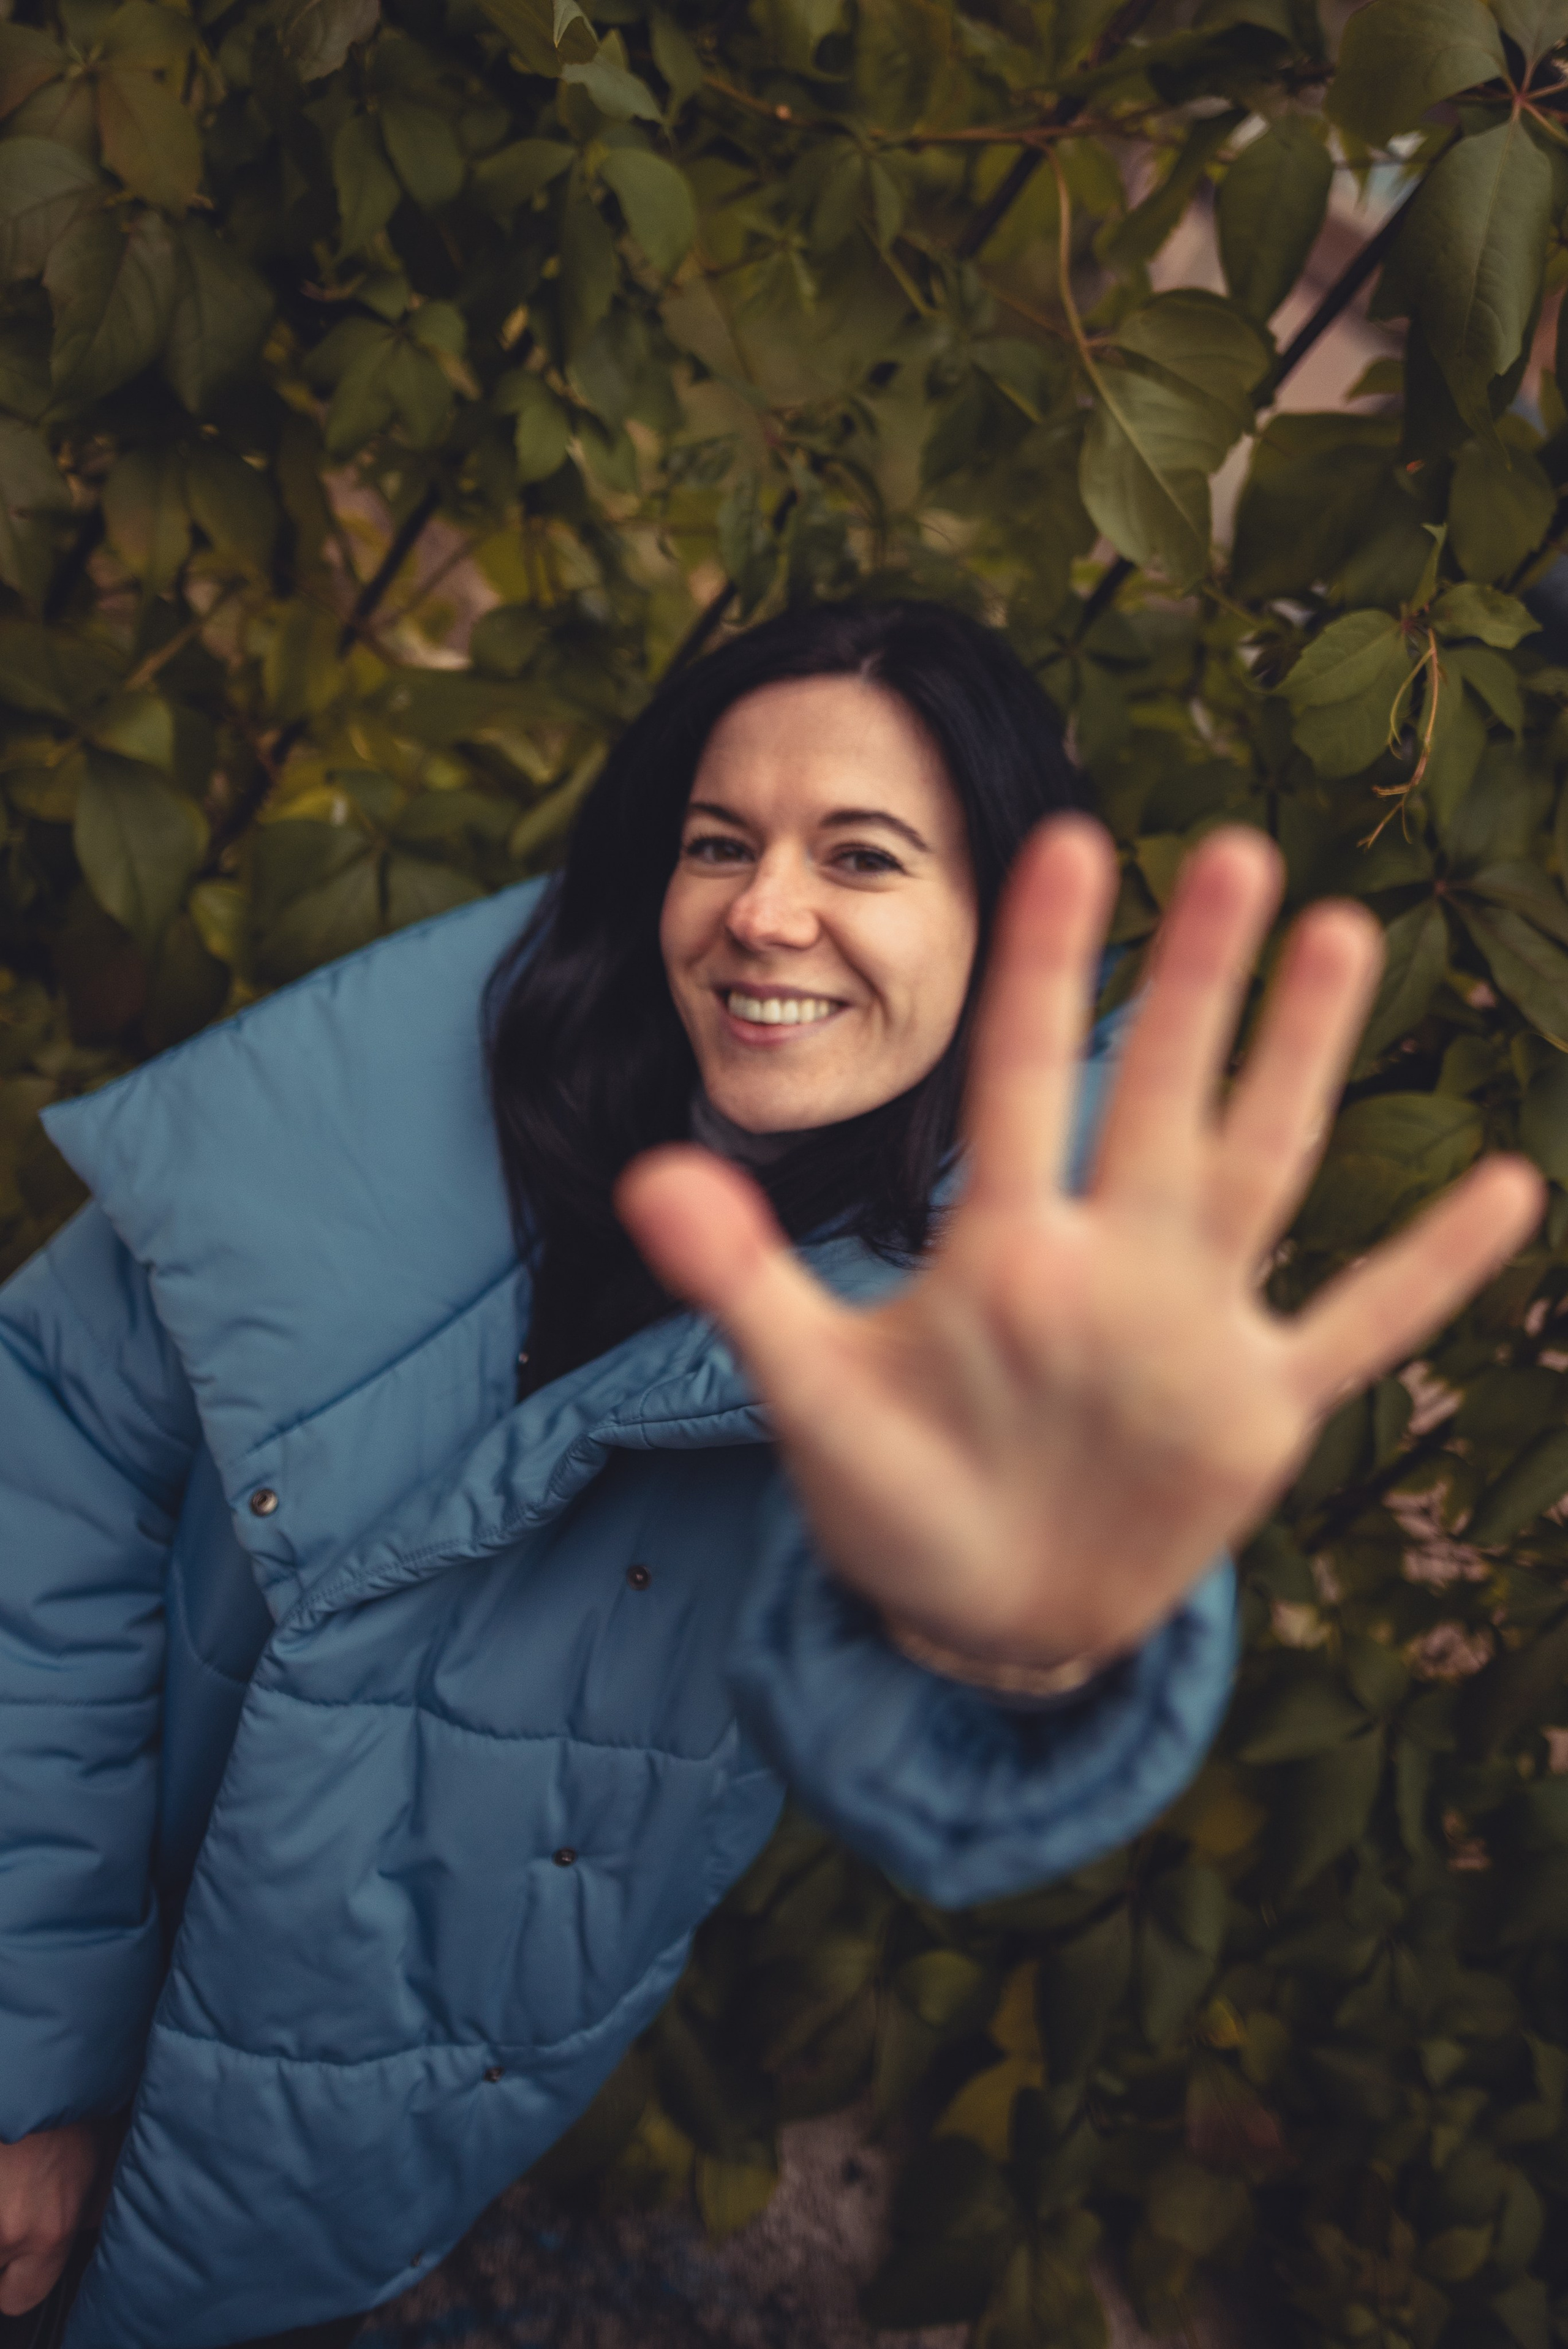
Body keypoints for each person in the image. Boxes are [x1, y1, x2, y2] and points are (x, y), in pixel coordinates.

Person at [0, 599, 1539, 2348]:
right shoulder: (391, 1085)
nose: (763, 907)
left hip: (319, 2171)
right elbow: (46, 1451)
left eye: (863, 855)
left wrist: (1021, 1638)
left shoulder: (986, 1338)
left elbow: (921, 1732)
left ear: (1004, 926)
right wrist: (26, 2041)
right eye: (718, 841)